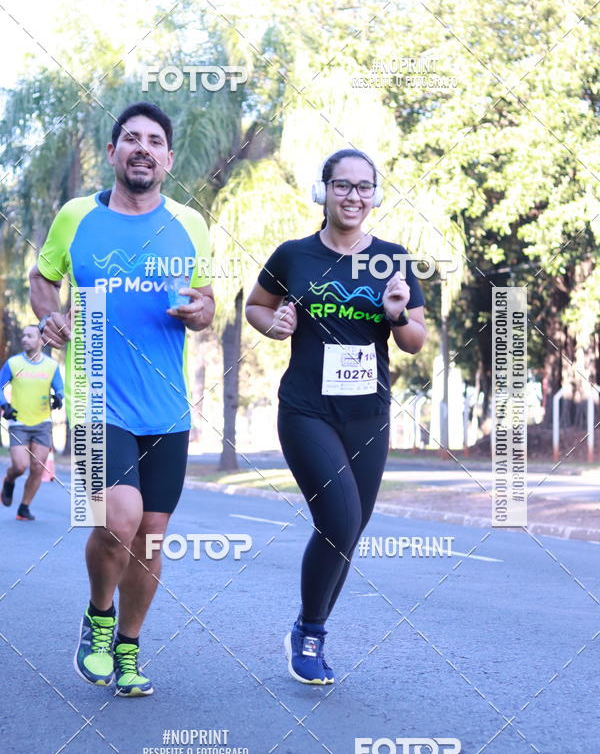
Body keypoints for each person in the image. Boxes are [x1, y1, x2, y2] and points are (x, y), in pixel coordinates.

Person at [29, 102, 215, 697]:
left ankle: (129, 648)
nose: (142, 148)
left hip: (166, 405)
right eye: (130, 139)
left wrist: (200, 312)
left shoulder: (189, 223)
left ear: (168, 159)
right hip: (95, 397)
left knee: (150, 536)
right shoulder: (76, 216)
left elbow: (207, 303)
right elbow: (42, 278)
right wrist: (50, 316)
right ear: (112, 153)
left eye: (154, 141)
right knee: (119, 520)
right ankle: (99, 615)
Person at [246, 149, 427, 685]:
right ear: (322, 191)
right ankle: (311, 634)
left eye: (364, 186)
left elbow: (415, 339)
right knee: (340, 520)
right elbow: (256, 306)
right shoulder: (293, 255)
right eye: (342, 185)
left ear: (375, 195)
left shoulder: (393, 259)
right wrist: (275, 324)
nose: (353, 196)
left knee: (350, 529)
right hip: (306, 409)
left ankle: (308, 626)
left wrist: (396, 314)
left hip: (368, 413)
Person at [0, 324, 64, 520]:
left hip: (43, 423)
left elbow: (59, 389)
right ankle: (9, 479)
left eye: (29, 336)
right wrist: (4, 405)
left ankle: (24, 508)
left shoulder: (51, 366)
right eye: (23, 335)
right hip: (19, 422)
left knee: (38, 468)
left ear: (40, 340)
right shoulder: (13, 363)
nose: (24, 339)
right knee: (20, 466)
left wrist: (58, 398)